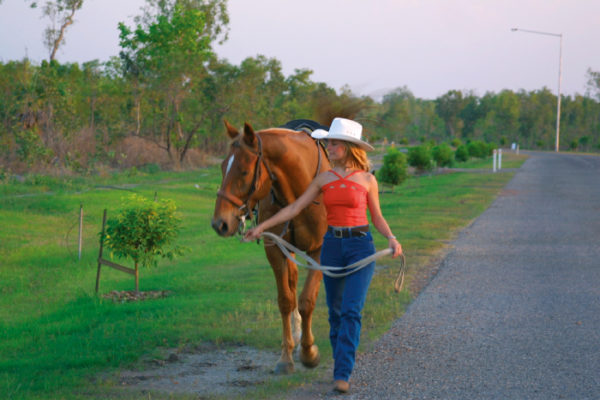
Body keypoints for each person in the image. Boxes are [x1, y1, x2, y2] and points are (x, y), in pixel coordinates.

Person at [244, 117, 403, 393]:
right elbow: (293, 210)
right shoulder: (324, 178)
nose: (328, 146)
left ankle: (342, 373)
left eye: (334, 143)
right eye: (328, 142)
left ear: (349, 147)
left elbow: (376, 216)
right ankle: (339, 363)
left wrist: (391, 238)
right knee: (336, 314)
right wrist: (262, 227)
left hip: (360, 247)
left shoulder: (367, 180)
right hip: (331, 247)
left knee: (352, 311)